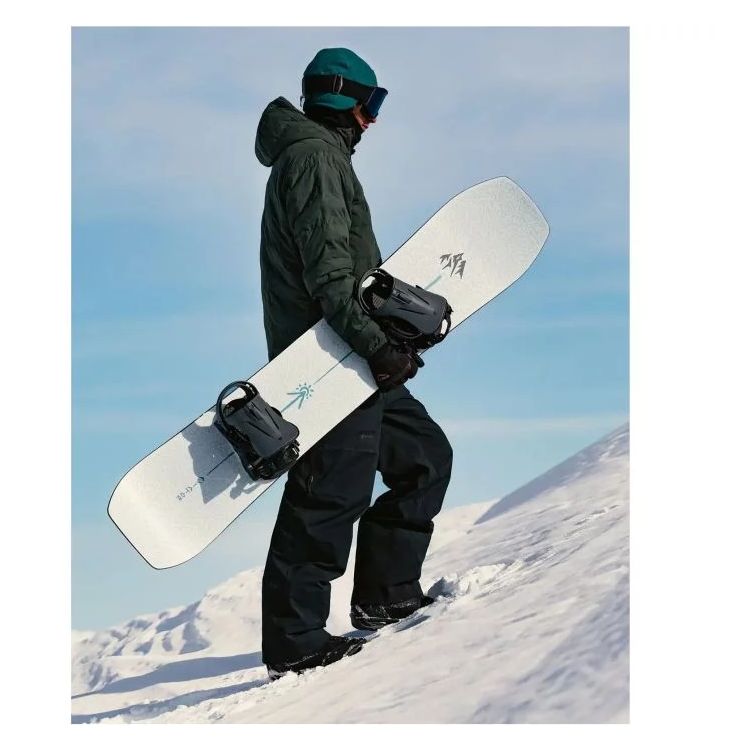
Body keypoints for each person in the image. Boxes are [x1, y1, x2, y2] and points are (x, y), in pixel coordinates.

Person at [254, 47, 453, 679]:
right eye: (372, 104)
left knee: (423, 458)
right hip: (329, 361)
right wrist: (377, 345)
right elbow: (331, 276)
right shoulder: (313, 160)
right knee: (330, 494)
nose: (374, 119)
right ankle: (295, 644)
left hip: (354, 350)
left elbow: (348, 273)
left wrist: (388, 329)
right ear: (345, 101)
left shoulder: (324, 158)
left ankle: (384, 596)